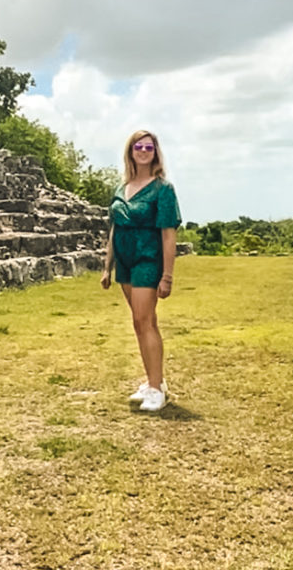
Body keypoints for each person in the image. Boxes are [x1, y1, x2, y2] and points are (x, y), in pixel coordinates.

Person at [100, 129, 180, 412]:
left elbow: (168, 234)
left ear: (155, 152)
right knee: (139, 322)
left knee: (145, 320)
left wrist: (167, 275)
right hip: (125, 261)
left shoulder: (162, 189)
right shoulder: (121, 188)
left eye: (149, 147)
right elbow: (114, 229)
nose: (144, 151)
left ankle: (157, 389)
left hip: (148, 260)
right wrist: (107, 267)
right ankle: (152, 380)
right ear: (130, 151)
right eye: (138, 146)